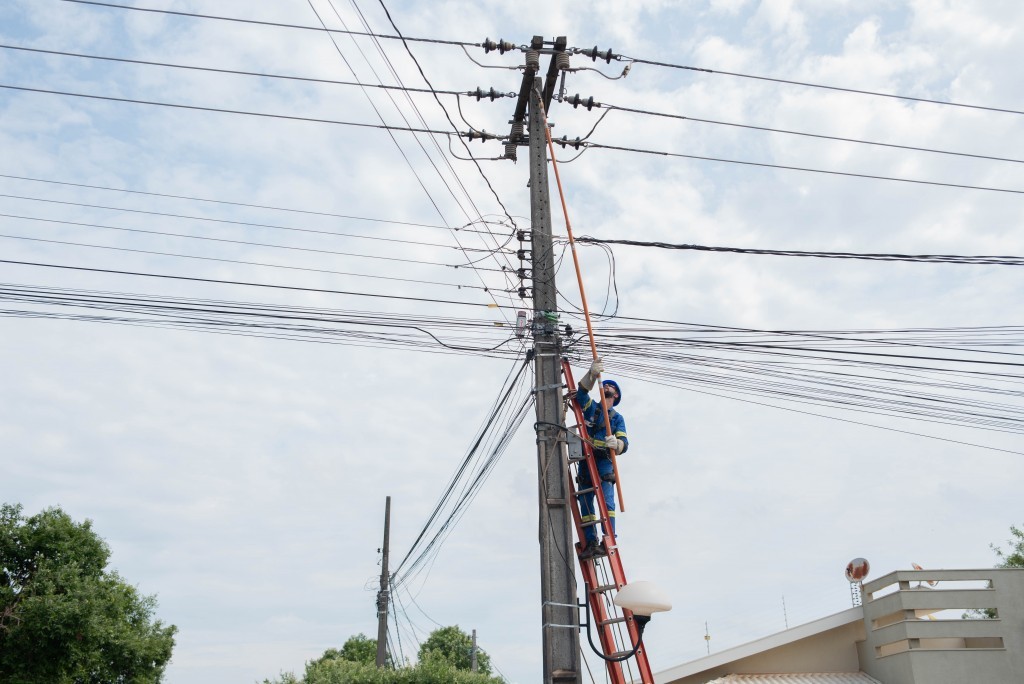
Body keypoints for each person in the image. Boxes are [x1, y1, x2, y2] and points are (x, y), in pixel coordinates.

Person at [574, 358, 628, 560]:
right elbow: (580, 395)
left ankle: (609, 538)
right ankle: (590, 542)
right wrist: (589, 376)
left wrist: (618, 444)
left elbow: (625, 442)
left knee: (607, 503)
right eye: (604, 390)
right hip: (586, 460)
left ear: (615, 397)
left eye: (609, 392)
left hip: (604, 462)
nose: (606, 393)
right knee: (586, 503)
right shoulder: (591, 408)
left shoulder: (616, 418)